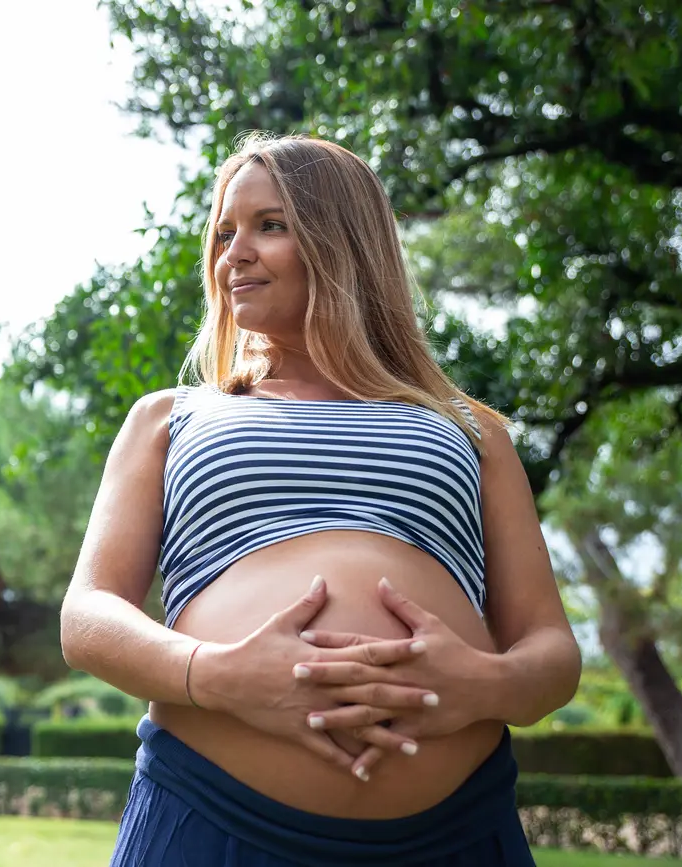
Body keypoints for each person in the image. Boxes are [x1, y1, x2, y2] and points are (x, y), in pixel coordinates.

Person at [59, 133, 581, 866]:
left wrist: (483, 683)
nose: (233, 253)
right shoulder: (169, 418)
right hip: (209, 814)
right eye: (224, 232)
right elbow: (85, 618)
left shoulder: (472, 430)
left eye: (269, 225)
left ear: (344, 244)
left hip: (455, 831)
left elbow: (552, 652)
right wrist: (216, 673)